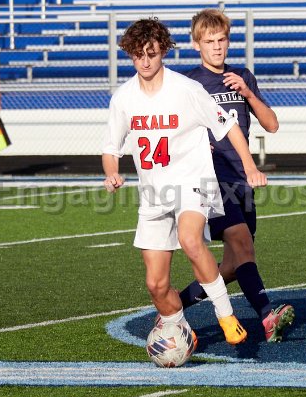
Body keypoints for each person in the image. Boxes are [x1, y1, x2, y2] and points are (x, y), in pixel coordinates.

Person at [102, 17, 267, 346]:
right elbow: (110, 147)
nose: (145, 61)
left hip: (194, 182)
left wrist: (250, 166)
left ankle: (226, 315)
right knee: (156, 285)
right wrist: (112, 172)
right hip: (154, 193)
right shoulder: (123, 98)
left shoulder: (186, 90)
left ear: (163, 51)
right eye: (138, 55)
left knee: (191, 240)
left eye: (151, 54)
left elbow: (229, 127)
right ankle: (178, 330)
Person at [176, 8, 294, 343]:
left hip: (243, 179)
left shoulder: (242, 76)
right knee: (242, 244)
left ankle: (173, 306)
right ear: (196, 45)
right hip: (212, 179)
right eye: (209, 41)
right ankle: (268, 316)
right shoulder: (188, 84)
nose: (216, 46)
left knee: (234, 263)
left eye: (221, 40)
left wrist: (249, 93)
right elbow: (175, 131)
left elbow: (271, 124)